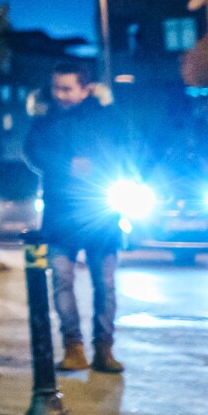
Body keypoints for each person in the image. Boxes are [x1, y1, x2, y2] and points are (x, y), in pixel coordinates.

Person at [24, 65, 125, 374]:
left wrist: (101, 166)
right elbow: (32, 151)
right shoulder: (45, 120)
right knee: (62, 282)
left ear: (86, 89)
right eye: (57, 88)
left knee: (104, 285)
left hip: (101, 213)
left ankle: (104, 349)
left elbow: (128, 146)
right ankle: (73, 347)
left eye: (67, 89)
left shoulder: (106, 117)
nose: (61, 95)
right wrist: (67, 165)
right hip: (60, 214)